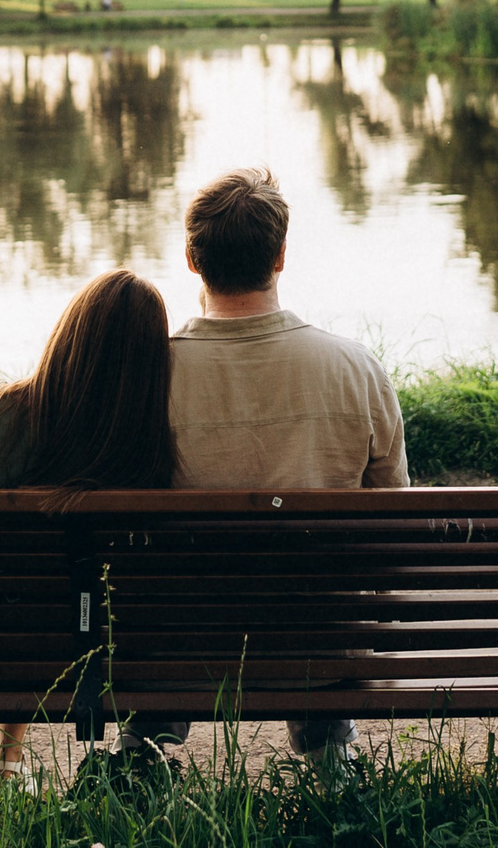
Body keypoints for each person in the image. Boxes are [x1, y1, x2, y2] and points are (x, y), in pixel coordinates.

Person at [139, 166, 408, 762]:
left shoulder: (148, 374)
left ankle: (142, 755)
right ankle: (331, 757)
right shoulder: (356, 369)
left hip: (180, 646)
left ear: (191, 259)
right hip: (322, 642)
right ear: (281, 256)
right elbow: (394, 522)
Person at [0, 267, 178, 779]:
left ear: (66, 336)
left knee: (8, 586)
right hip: (96, 666)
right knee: (56, 599)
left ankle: (7, 760)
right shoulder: (146, 458)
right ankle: (15, 761)